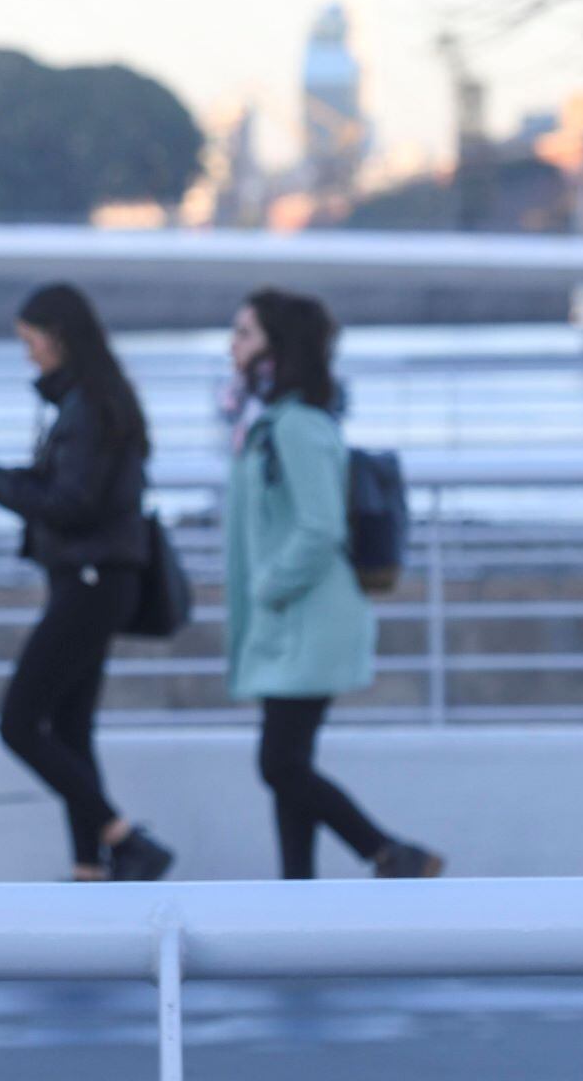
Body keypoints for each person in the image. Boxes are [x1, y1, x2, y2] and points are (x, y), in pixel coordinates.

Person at [224, 288, 444, 880]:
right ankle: (298, 891)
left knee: (279, 765)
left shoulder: (296, 425)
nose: (231, 346)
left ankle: (390, 854)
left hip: (308, 621)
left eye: (244, 334)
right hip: (294, 621)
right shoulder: (276, 421)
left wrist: (268, 585)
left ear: (277, 347)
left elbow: (320, 526)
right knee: (290, 764)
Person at [0, 283, 174, 882]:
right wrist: (7, 478)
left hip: (91, 581)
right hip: (96, 579)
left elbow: (70, 503)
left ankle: (125, 839)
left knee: (19, 723)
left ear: (58, 337)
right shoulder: (96, 400)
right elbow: (72, 489)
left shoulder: (88, 407)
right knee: (70, 728)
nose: (27, 353)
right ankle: (90, 869)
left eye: (30, 340)